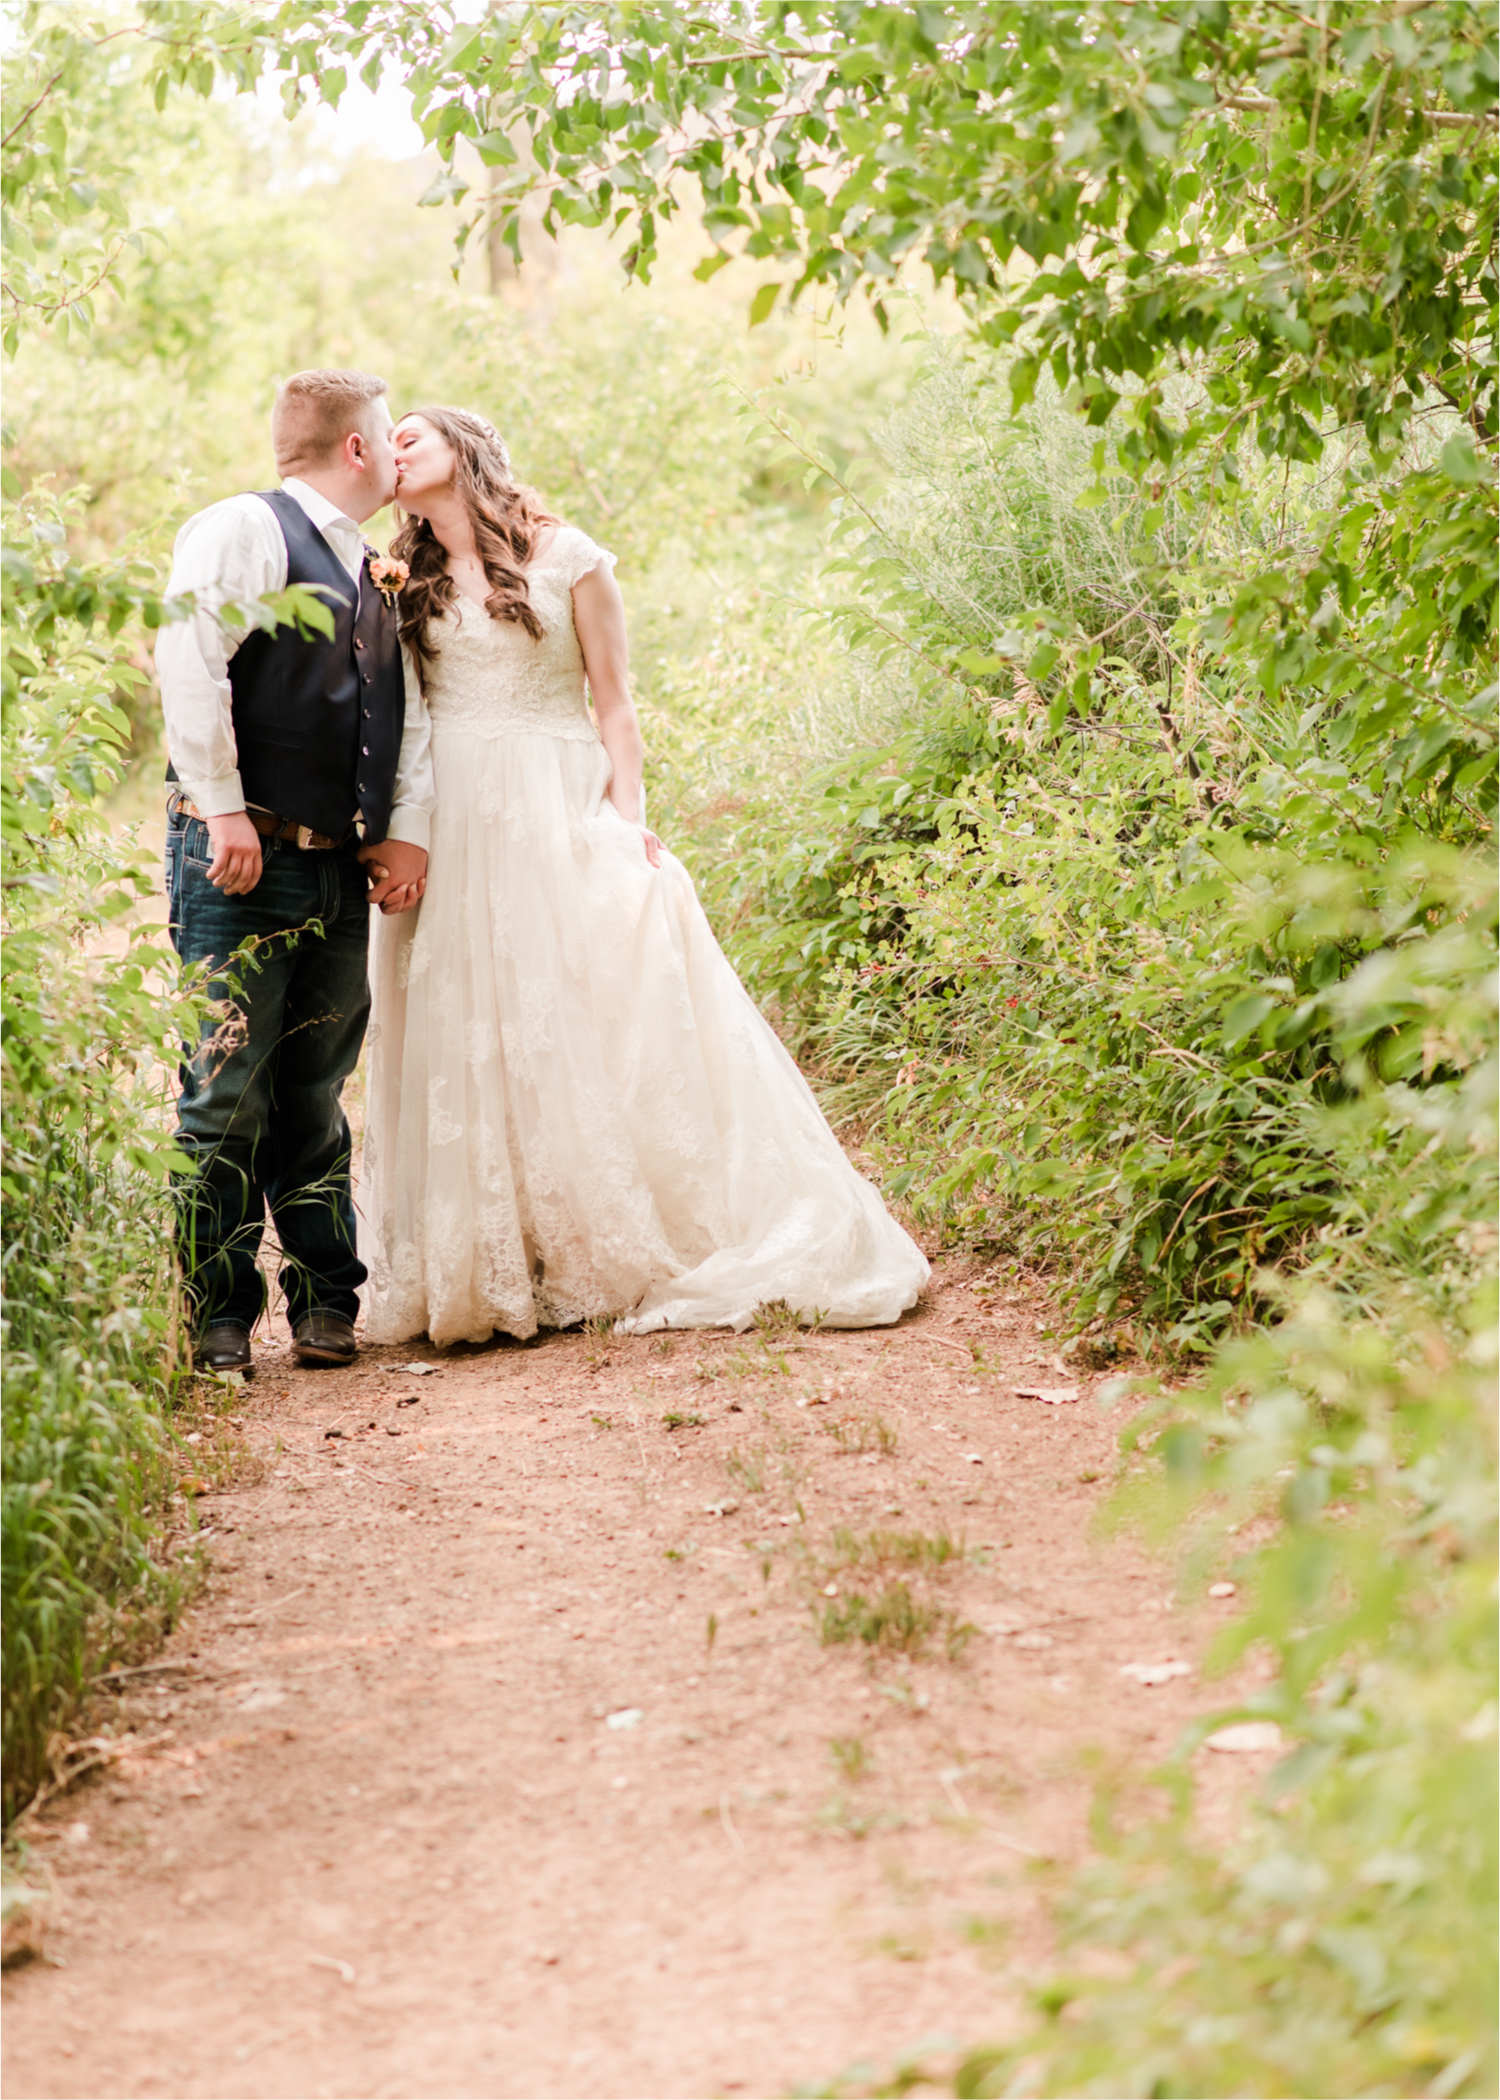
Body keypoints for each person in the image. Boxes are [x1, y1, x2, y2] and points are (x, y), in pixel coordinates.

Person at [360, 406, 927, 1345]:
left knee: (565, 1013)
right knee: (459, 1019)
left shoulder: (571, 557)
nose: (395, 449)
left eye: (412, 435)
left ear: (464, 450)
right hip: (445, 816)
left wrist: (630, 824)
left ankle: (592, 1240)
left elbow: (614, 705)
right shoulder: (394, 577)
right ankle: (491, 1256)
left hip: (553, 802)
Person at [157, 368, 435, 1379]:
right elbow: (189, 660)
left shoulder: (373, 563)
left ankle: (325, 1301)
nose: (400, 450)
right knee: (223, 1094)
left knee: (315, 1094)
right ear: (356, 447)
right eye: (389, 435)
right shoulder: (243, 526)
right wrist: (224, 808)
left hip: (334, 870)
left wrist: (395, 828)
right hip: (241, 857)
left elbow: (388, 711)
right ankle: (218, 1321)